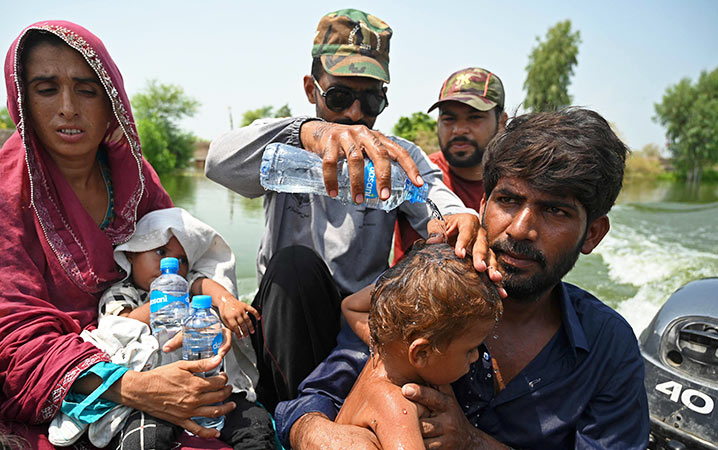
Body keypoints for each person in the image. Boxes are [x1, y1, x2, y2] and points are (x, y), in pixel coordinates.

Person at [276, 107, 650, 450]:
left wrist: (472, 442)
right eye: (508, 201)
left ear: (593, 234)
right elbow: (309, 402)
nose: (520, 229)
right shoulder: (425, 294)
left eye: (555, 211)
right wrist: (318, 434)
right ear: (483, 204)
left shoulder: (608, 347)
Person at [205, 8, 493, 414]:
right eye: (340, 97)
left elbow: (435, 200)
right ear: (312, 89)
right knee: (294, 266)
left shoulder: (396, 155)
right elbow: (217, 162)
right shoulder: (286, 142)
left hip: (360, 321)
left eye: (371, 99)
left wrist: (461, 218)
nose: (355, 114)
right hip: (290, 320)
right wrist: (312, 132)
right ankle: (291, 415)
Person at [0, 21, 234, 449]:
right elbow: (7, 339)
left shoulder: (137, 180)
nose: (68, 108)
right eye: (46, 88)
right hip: (53, 395)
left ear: (112, 102)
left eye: (87, 90)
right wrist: (132, 388)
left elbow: (185, 265)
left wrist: (212, 316)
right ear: (22, 100)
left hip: (150, 355)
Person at [49, 207, 273, 450]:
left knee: (255, 425)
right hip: (155, 395)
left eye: (182, 260)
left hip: (204, 384)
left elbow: (205, 285)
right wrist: (166, 301)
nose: (172, 265)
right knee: (145, 438)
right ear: (132, 255)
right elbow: (122, 326)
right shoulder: (122, 294)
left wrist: (226, 303)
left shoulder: (187, 286)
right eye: (160, 252)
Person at [337, 243, 501, 449]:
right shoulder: (395, 406)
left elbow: (351, 306)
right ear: (422, 353)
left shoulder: (388, 349)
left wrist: (406, 285)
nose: (477, 357)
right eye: (470, 350)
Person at [393, 67, 508, 264]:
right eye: (448, 118)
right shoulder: (414, 174)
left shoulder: (515, 184)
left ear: (501, 122)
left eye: (475, 117)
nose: (459, 129)